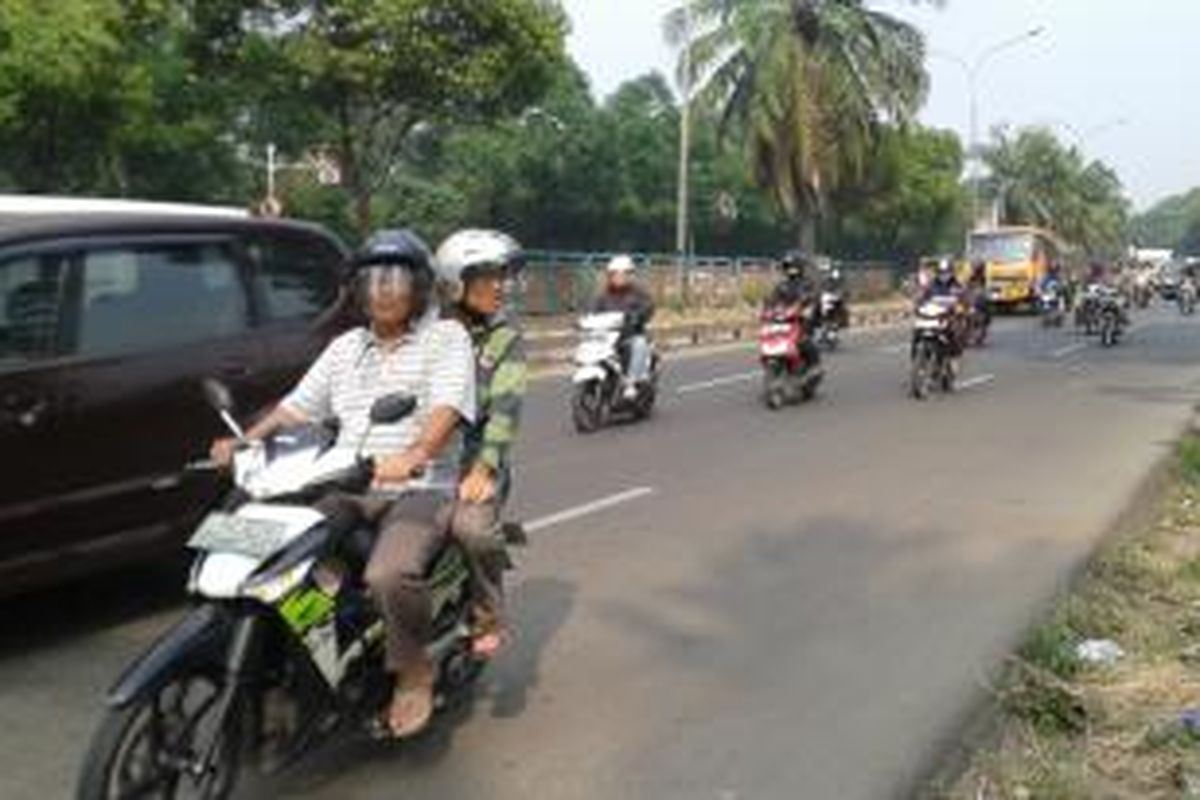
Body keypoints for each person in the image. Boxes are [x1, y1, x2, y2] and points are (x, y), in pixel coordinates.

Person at [210, 229, 476, 738]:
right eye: (372, 278)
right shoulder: (345, 347)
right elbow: (296, 406)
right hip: (346, 480)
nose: (383, 288)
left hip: (419, 487)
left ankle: (413, 671)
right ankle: (312, 659)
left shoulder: (447, 338)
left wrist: (416, 454)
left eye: (395, 277)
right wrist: (246, 441)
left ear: (419, 287)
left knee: (388, 574)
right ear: (356, 287)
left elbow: (446, 408)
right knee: (274, 554)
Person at [433, 229, 528, 658]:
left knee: (472, 530)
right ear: (455, 281)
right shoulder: (426, 332)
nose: (499, 286)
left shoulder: (504, 337)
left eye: (502, 276)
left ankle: (489, 609)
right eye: (488, 276)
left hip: (474, 459)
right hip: (421, 458)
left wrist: (484, 468)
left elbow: (505, 412)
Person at [593, 255, 655, 399]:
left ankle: (630, 383)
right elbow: (593, 312)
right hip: (607, 338)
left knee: (639, 344)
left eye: (622, 274)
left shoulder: (638, 292)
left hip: (630, 335)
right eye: (615, 274)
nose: (618, 277)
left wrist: (638, 316)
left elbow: (649, 306)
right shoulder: (603, 295)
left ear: (629, 275)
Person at [767, 250, 822, 367]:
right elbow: (772, 299)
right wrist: (768, 309)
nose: (791, 270)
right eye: (788, 266)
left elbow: (813, 296)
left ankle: (813, 363)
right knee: (772, 334)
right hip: (785, 317)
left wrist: (805, 303)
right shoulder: (782, 285)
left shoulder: (807, 283)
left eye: (794, 266)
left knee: (804, 339)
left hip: (802, 319)